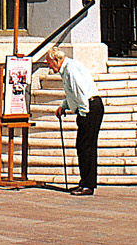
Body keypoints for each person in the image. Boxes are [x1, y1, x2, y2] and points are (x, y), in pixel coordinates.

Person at [43, 46, 104, 195]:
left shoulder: (70, 69)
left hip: (90, 108)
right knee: (83, 146)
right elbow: (72, 93)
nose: (49, 66)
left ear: (56, 60)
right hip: (89, 107)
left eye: (49, 63)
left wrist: (83, 114)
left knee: (86, 147)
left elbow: (80, 93)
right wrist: (63, 106)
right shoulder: (66, 69)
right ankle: (85, 183)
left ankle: (88, 185)